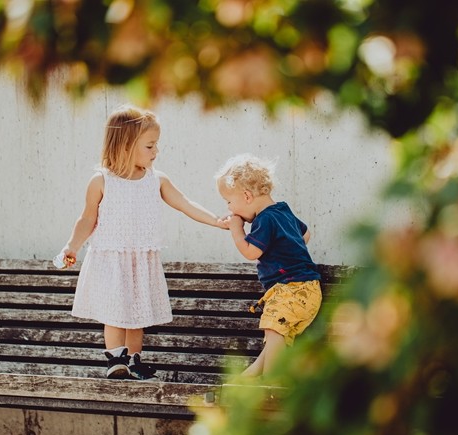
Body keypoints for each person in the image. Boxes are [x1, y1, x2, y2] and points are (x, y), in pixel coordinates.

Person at [57, 104, 226, 380]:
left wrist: (217, 220)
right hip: (112, 259)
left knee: (137, 315)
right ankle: (116, 360)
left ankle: (134, 361)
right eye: (150, 146)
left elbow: (184, 203)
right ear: (125, 145)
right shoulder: (101, 181)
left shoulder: (156, 180)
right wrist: (72, 246)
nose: (156, 152)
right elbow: (87, 219)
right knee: (115, 313)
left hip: (141, 260)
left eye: (156, 145)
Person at [215, 153, 322, 377]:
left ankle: (271, 385)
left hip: (292, 289)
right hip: (306, 289)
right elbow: (306, 235)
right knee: (276, 336)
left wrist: (236, 229)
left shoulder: (264, 219)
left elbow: (250, 251)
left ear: (246, 196)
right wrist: (285, 249)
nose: (230, 209)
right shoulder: (282, 210)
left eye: (229, 202)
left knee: (274, 331)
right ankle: (250, 378)